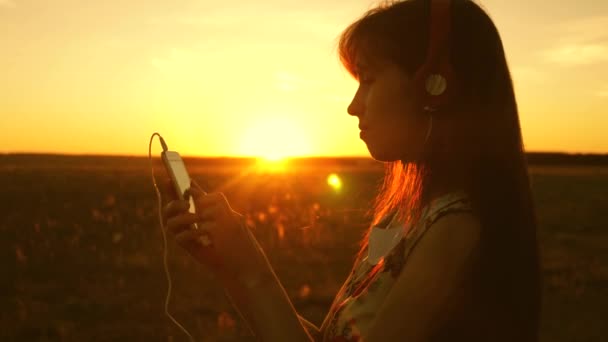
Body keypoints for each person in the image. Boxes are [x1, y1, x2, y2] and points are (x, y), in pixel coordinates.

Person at [162, 0, 541, 340]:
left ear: (434, 87)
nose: (354, 106)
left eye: (368, 79)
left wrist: (249, 265)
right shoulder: (407, 218)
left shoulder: (456, 232)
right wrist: (232, 267)